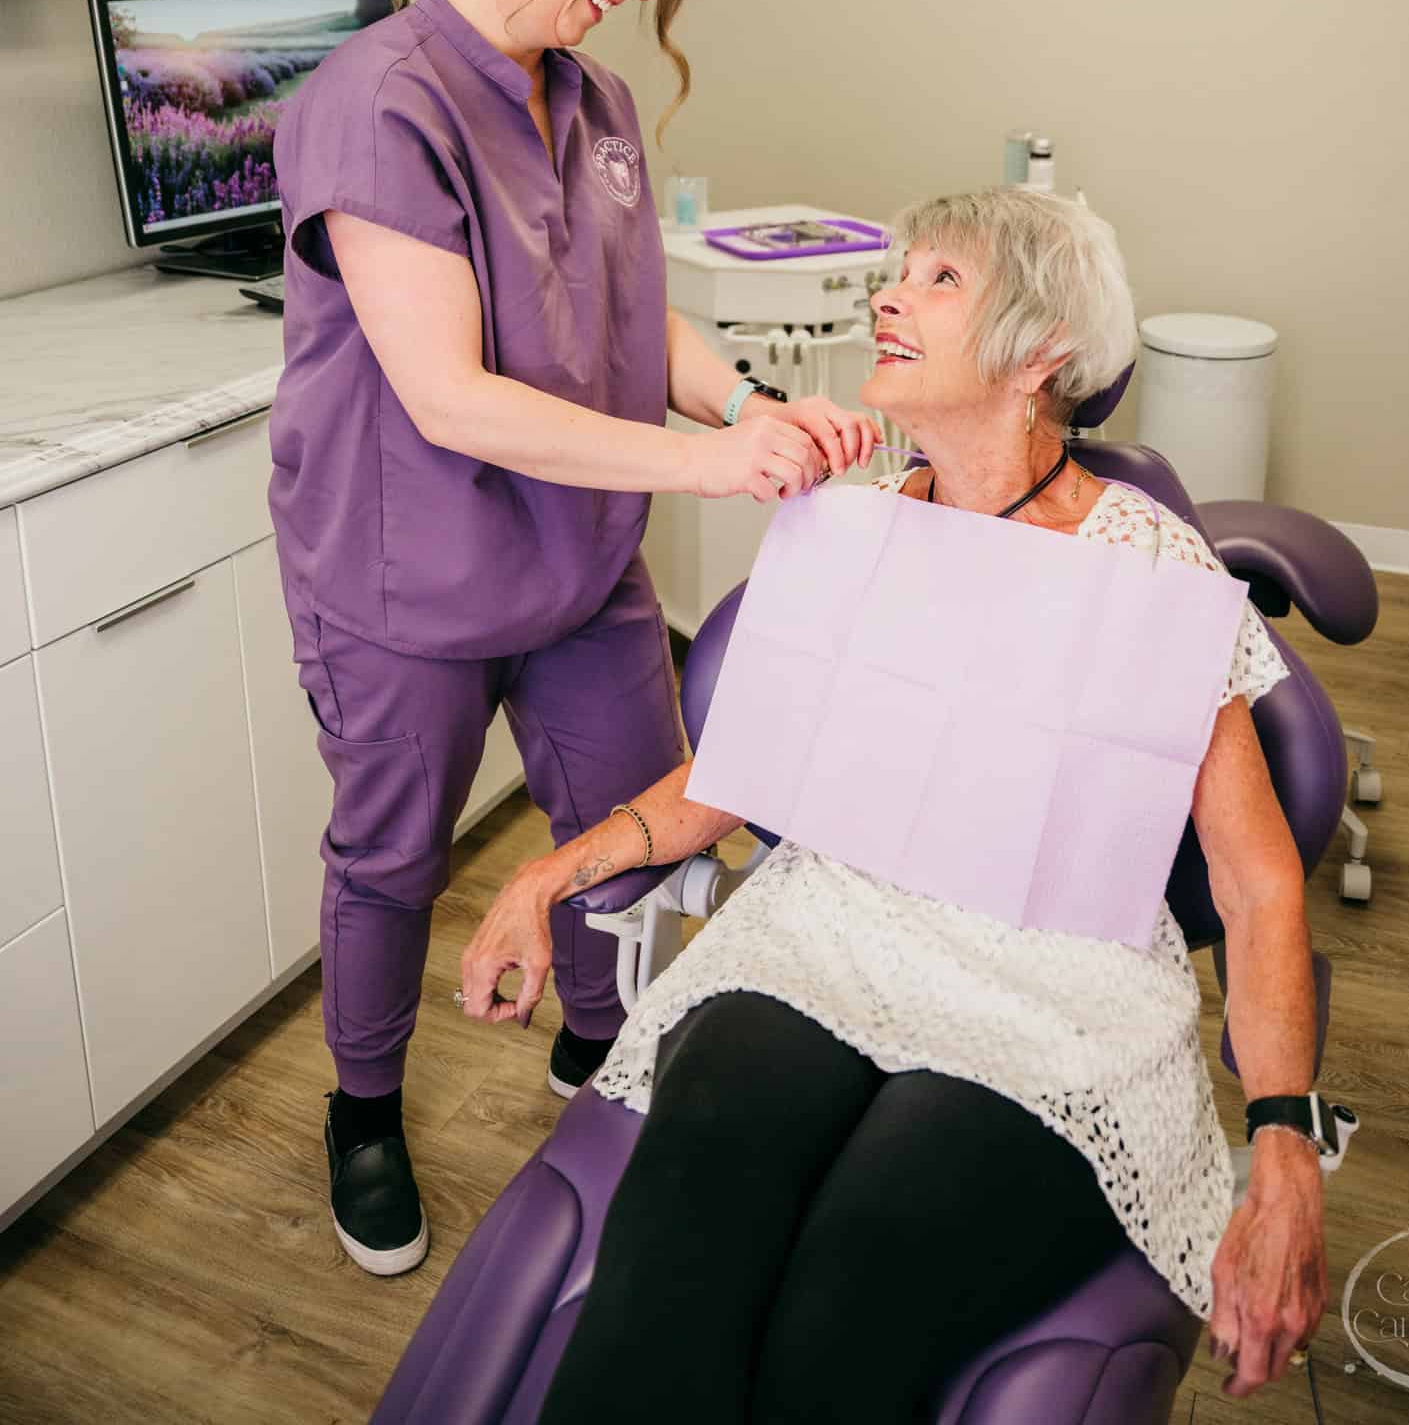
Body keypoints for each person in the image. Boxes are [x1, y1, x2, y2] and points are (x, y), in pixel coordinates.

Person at [456, 188, 1330, 1417]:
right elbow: (731, 775)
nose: (887, 296)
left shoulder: (1148, 567)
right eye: (899, 272)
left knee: (851, 1295)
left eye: (937, 282)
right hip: (825, 943)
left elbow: (1255, 878)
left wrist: (1284, 1143)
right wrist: (548, 872)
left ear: (1041, 356)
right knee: (679, 1248)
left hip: (1054, 992)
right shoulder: (849, 529)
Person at [266, 0, 881, 1277]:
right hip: (406, 573)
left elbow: (634, 316)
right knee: (390, 861)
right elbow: (452, 399)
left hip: (580, 559)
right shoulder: (379, 101)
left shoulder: (595, 96)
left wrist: (746, 405)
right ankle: (362, 1114)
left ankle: (616, 1054)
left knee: (637, 837)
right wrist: (708, 474)